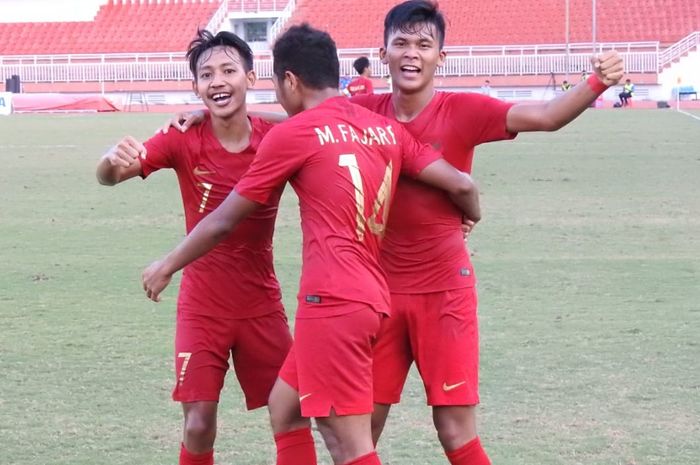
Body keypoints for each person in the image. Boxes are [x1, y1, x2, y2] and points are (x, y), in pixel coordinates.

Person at [163, 3, 624, 464]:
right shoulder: (370, 115)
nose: (411, 53)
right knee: (333, 422)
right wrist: (220, 108)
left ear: (441, 56)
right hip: (377, 293)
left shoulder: (461, 109)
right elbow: (309, 115)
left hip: (428, 291)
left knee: (444, 431)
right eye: (401, 43)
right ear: (382, 53)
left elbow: (545, 116)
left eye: (424, 44)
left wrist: (596, 81)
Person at [141, 23, 481, 465]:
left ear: (289, 81)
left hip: (331, 301)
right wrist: (470, 214)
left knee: (349, 444)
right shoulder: (383, 130)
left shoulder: (293, 135)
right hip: (372, 296)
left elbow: (223, 221)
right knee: (285, 408)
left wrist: (167, 264)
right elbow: (462, 182)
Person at [95, 30, 293, 465]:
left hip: (262, 303)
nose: (217, 81)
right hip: (202, 306)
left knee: (290, 413)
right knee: (199, 423)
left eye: (228, 71)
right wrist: (110, 159)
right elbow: (109, 177)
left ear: (251, 77)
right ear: (195, 86)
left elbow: (317, 124)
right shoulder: (182, 139)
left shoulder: (276, 139)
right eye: (206, 75)